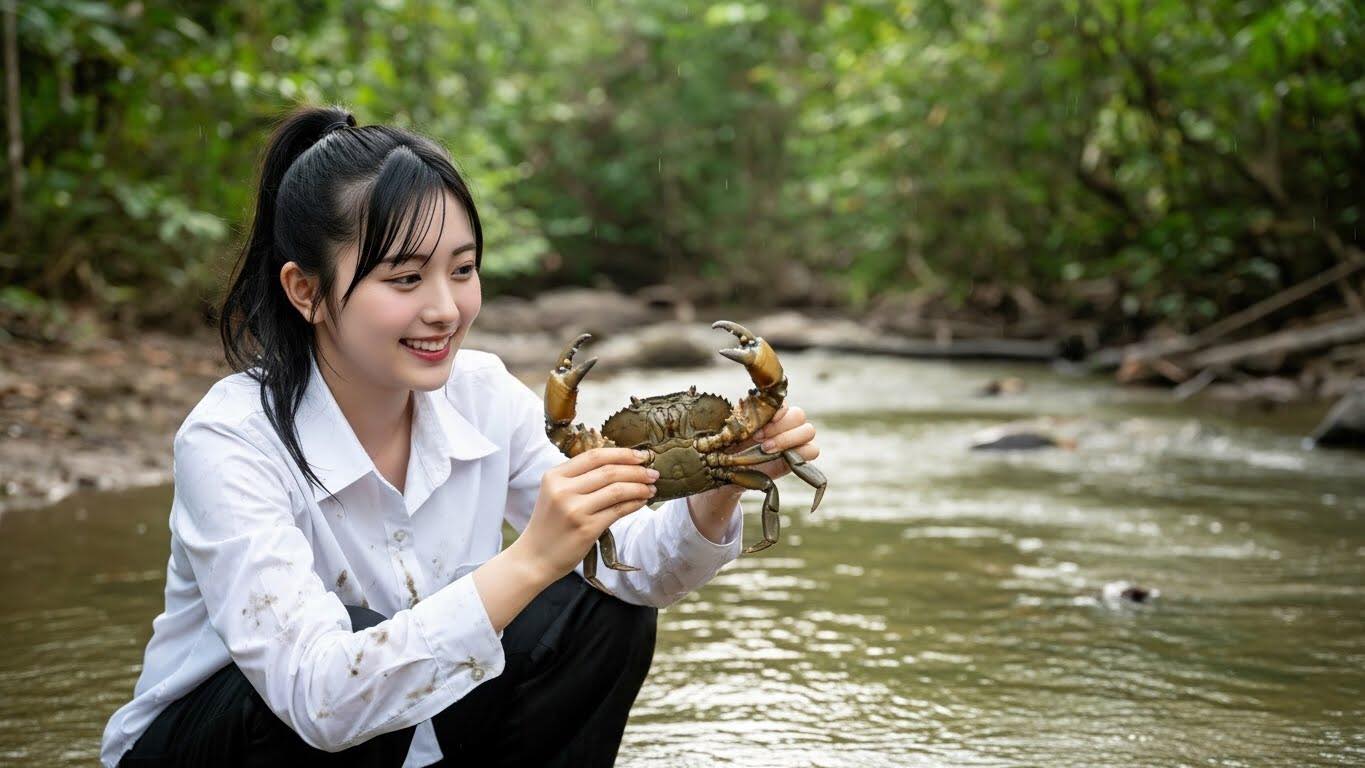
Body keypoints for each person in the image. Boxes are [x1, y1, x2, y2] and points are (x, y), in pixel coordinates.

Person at [100, 104, 821, 768]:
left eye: (463, 269)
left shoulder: (483, 394)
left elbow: (637, 566)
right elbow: (319, 699)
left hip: (407, 741)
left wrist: (720, 491)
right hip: (214, 744)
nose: (445, 309)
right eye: (405, 278)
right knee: (359, 639)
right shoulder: (232, 440)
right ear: (305, 291)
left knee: (607, 607)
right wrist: (534, 557)